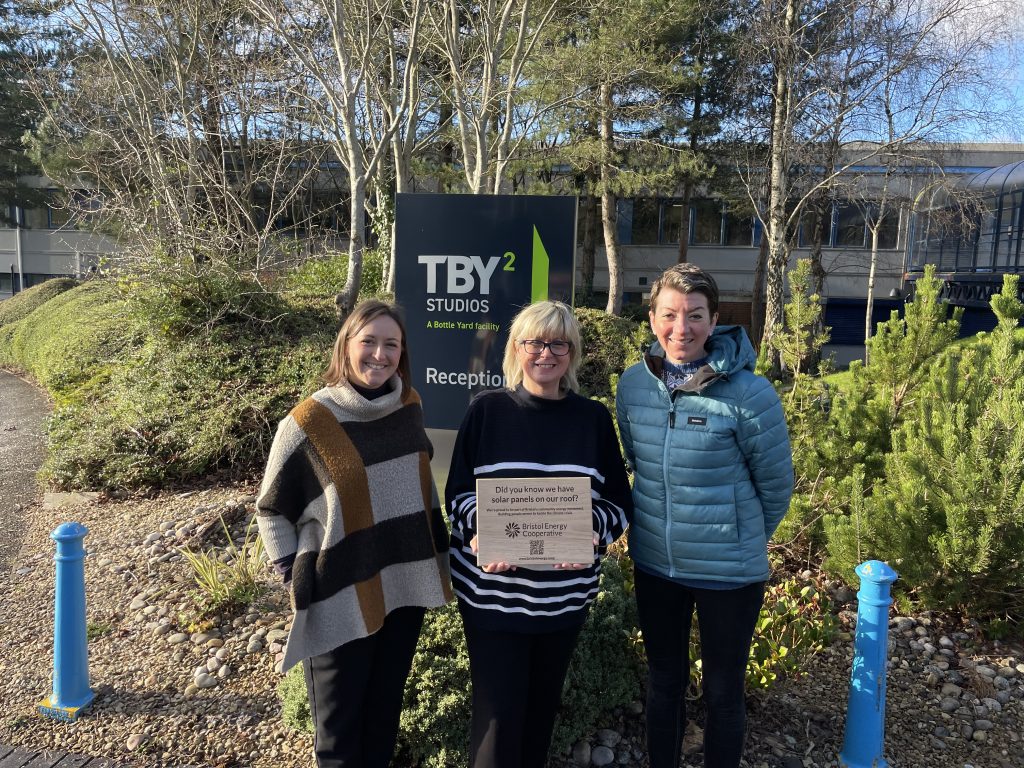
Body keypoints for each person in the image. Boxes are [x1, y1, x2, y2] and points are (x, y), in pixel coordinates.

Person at [256, 299, 452, 768]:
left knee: (383, 716)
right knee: (339, 734)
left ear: (402, 353)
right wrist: (296, 575)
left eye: (391, 345)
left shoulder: (408, 405)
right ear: (346, 346)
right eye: (369, 342)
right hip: (340, 591)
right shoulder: (309, 422)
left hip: (403, 588)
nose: (379, 355)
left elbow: (419, 488)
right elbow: (270, 508)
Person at [614, 264, 793, 768]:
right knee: (663, 685)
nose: (681, 328)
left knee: (723, 694)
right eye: (669, 315)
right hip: (656, 567)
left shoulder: (749, 395)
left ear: (714, 322)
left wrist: (740, 539)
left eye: (695, 315)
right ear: (652, 319)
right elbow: (637, 460)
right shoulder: (633, 387)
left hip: (727, 576)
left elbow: (776, 486)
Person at [445, 300, 632, 768]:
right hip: (493, 599)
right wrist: (482, 533)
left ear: (572, 352)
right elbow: (458, 495)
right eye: (534, 342)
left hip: (561, 602)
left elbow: (619, 505)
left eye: (558, 343)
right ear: (515, 348)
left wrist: (592, 533)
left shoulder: (592, 419)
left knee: (539, 719)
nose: (545, 353)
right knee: (496, 724)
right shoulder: (486, 412)